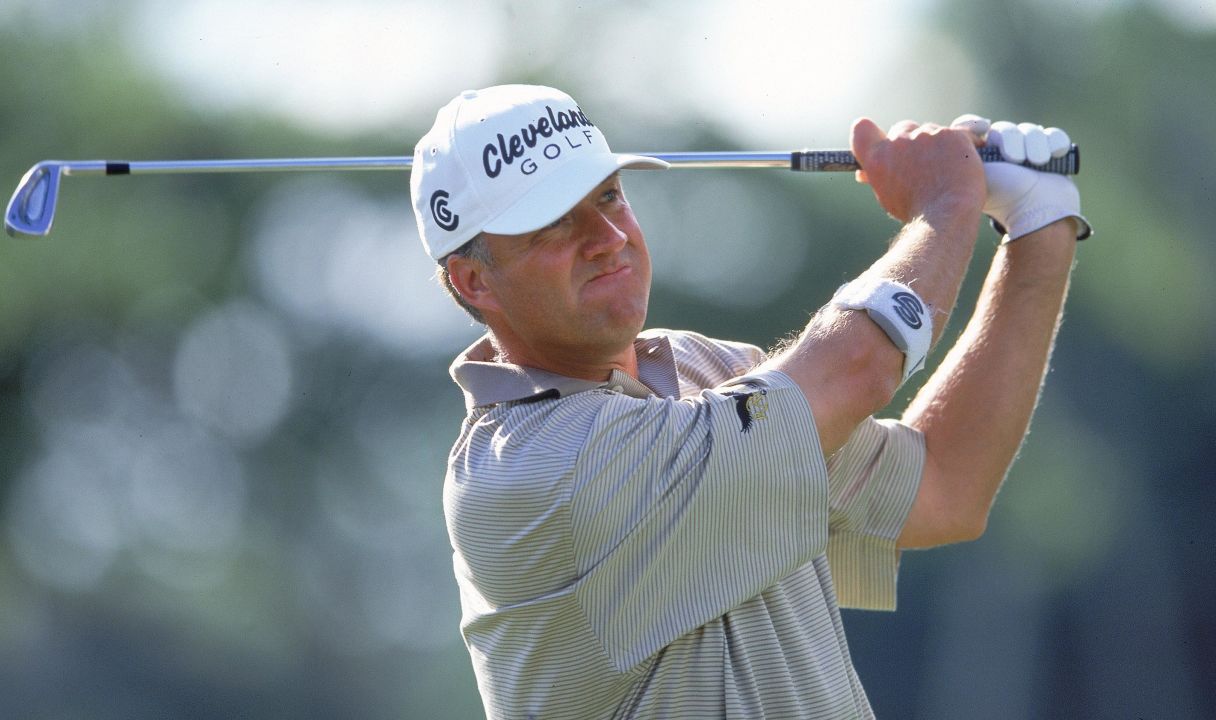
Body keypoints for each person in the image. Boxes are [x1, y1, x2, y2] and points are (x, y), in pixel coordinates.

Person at [409, 84, 1090, 720]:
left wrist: (1039, 226)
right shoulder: (531, 471)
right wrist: (946, 206)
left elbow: (945, 487)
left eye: (610, 197)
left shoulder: (703, 369)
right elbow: (857, 368)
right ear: (474, 282)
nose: (608, 238)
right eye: (554, 225)